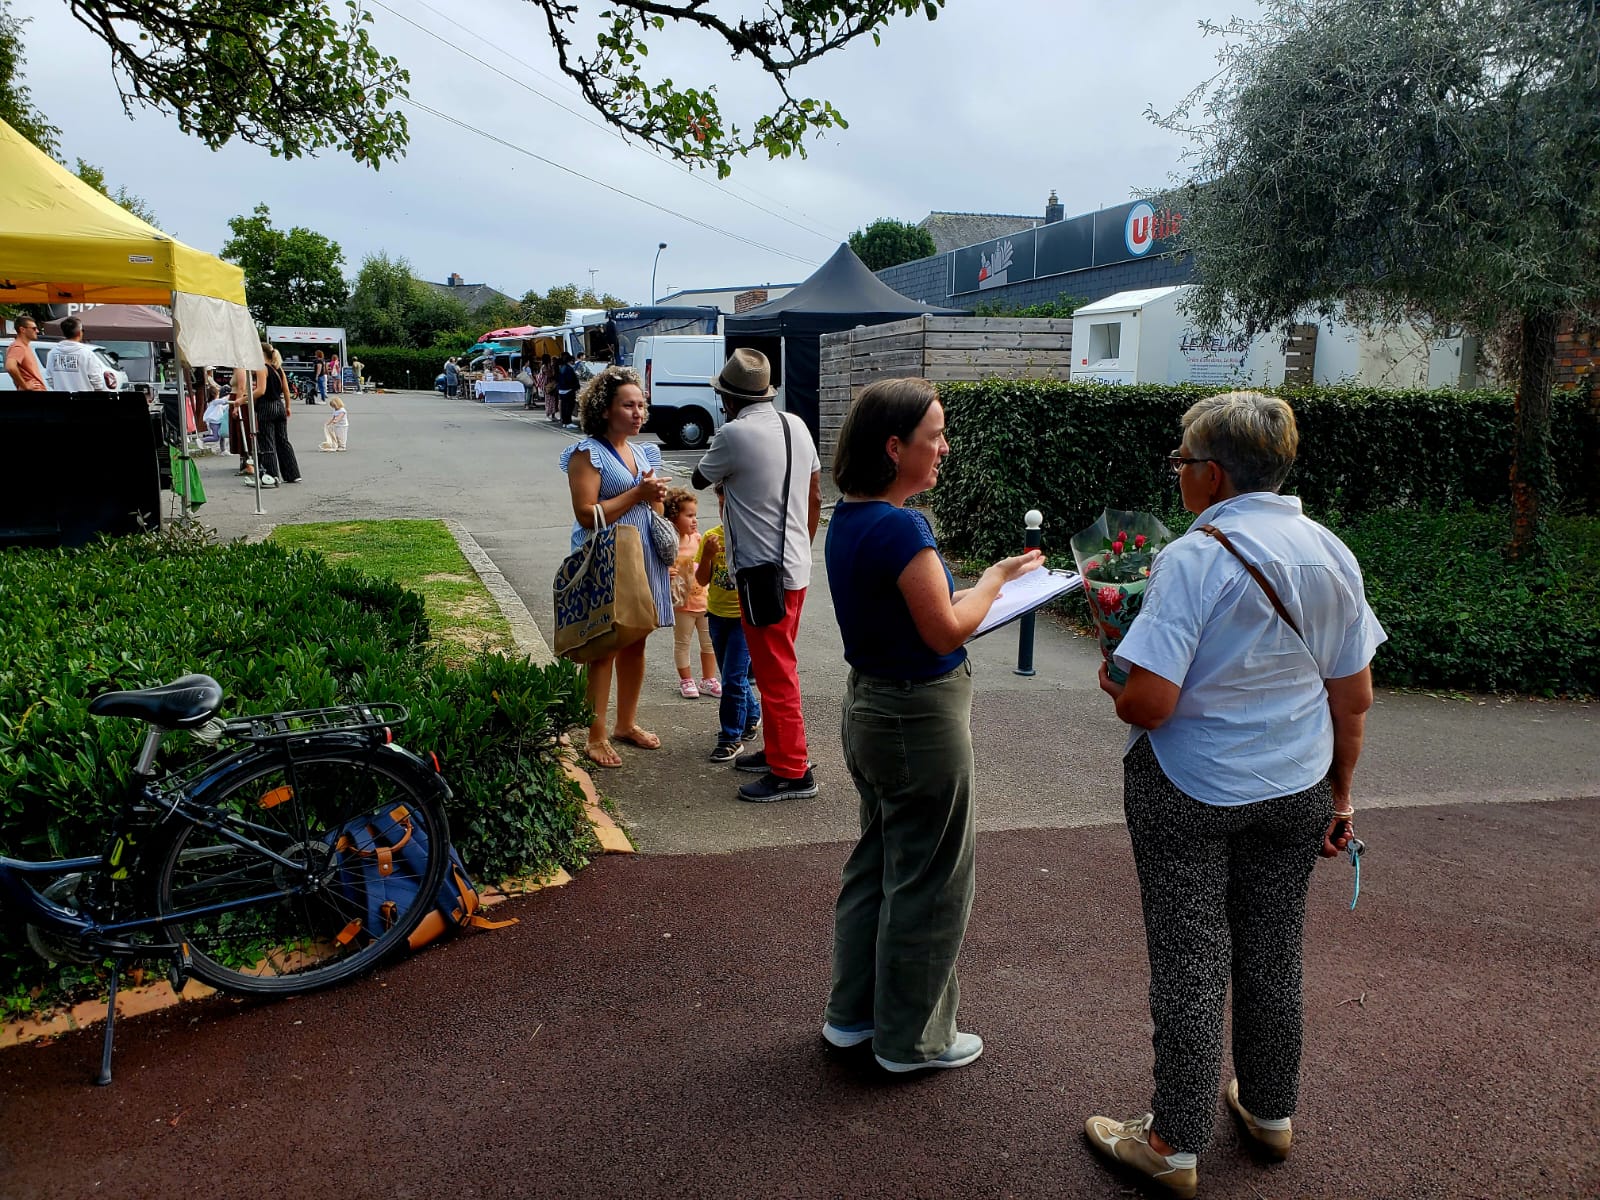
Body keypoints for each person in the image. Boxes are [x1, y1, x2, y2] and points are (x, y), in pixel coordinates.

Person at [1083, 391, 1384, 1198]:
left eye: (1182, 462)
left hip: (1191, 785)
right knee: (1273, 949)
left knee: (1192, 958)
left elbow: (1151, 704)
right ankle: (1270, 1111)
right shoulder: (1331, 552)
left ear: (1211, 474)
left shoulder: (1191, 558)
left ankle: (1172, 1144)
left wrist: (1115, 685)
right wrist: (1341, 799)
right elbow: (1353, 697)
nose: (1178, 475)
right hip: (1298, 784)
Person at [821, 376, 1041, 1074]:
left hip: (870, 707)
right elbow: (945, 629)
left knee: (879, 862)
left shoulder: (851, 517)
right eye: (934, 436)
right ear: (895, 447)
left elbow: (918, 607)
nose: (944, 448)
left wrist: (987, 585)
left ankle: (852, 1017)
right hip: (917, 716)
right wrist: (994, 581)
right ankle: (912, 1041)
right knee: (932, 880)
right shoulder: (902, 526)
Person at [692, 348, 822, 803]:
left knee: (775, 672)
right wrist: (801, 545)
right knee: (774, 666)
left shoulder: (732, 434)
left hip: (760, 574)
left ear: (728, 399)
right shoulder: (797, 425)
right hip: (795, 567)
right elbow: (815, 494)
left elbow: (698, 479)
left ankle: (792, 771)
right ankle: (780, 750)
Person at [560, 366, 673, 768]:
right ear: (605, 409)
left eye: (641, 405)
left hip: (642, 558)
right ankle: (595, 734)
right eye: (628, 405)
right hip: (606, 560)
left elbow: (656, 510)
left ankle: (625, 724)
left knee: (636, 639)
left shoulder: (643, 452)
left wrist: (656, 496)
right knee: (604, 646)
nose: (638, 413)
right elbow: (586, 514)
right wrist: (638, 492)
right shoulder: (587, 453)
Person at [696, 484, 762, 764]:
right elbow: (701, 580)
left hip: (743, 619)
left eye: (731, 506)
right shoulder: (710, 537)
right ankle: (752, 713)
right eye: (722, 506)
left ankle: (730, 738)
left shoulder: (753, 537)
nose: (726, 512)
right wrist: (708, 555)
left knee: (733, 678)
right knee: (731, 674)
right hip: (716, 616)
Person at [664, 487, 720, 700]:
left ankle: (709, 679)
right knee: (682, 643)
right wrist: (667, 572)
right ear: (673, 517)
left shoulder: (698, 539)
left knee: (709, 642)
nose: (694, 520)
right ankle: (686, 679)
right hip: (682, 605)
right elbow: (660, 568)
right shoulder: (670, 545)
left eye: (695, 515)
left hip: (704, 602)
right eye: (689, 515)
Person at [248, 342, 302, 487]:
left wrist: (244, 399)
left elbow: (260, 390)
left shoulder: (262, 368)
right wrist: (288, 406)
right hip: (279, 406)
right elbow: (286, 390)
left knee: (267, 441)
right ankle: (292, 473)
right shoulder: (278, 368)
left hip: (267, 406)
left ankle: (271, 474)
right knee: (283, 440)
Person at [44, 317, 107, 392]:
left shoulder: (52, 353)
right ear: (79, 333)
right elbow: (96, 380)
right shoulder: (87, 354)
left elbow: (50, 378)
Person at [5, 315, 48, 391]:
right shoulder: (18, 347)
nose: (37, 331)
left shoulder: (23, 346)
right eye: (34, 328)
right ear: (22, 329)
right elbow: (10, 367)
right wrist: (25, 386)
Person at [557, 354, 580, 428]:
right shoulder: (569, 369)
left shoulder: (562, 368)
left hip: (561, 389)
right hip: (568, 390)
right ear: (570, 361)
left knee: (564, 406)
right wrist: (575, 386)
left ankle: (564, 422)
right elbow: (570, 380)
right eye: (572, 361)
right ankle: (568, 422)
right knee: (569, 406)